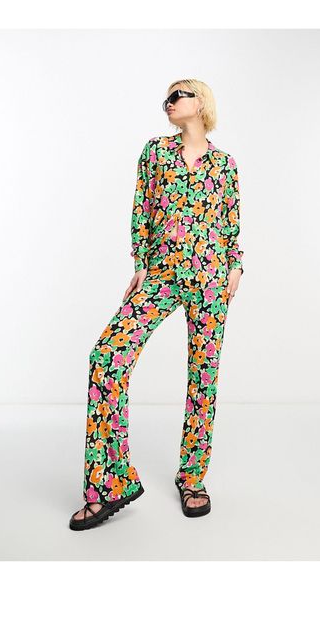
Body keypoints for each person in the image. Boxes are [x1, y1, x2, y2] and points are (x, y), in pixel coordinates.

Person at [69, 78, 244, 530]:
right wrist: (141, 264)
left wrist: (235, 265)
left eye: (177, 96)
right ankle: (110, 484)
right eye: (166, 98)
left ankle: (192, 478)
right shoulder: (156, 152)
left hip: (210, 277)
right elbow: (141, 210)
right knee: (106, 357)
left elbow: (230, 221)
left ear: (200, 102)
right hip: (161, 273)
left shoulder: (225, 164)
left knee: (203, 378)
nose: (168, 103)